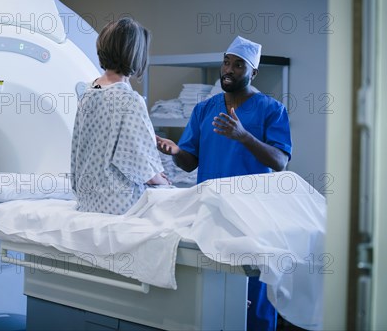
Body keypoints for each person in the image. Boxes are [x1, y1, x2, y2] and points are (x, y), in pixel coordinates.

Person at [156, 35, 292, 331]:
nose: (228, 70)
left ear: (253, 72)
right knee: (212, 292)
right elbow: (190, 161)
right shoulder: (204, 109)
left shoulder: (271, 110)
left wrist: (244, 136)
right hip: (211, 214)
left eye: (238, 65)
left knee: (252, 297)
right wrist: (175, 150)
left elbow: (280, 161)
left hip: (252, 218)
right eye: (226, 62)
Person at [71, 17, 169, 215]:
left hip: (87, 199)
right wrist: (161, 180)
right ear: (137, 55)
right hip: (119, 203)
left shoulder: (89, 91)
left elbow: (77, 150)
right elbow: (139, 163)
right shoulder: (129, 99)